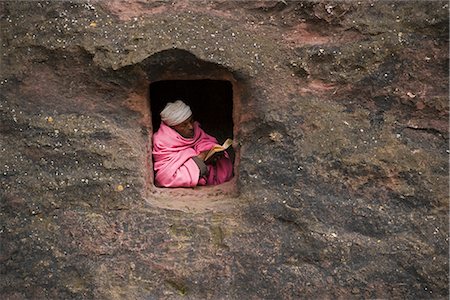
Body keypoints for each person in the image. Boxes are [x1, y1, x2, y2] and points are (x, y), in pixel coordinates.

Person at [152, 100, 233, 188]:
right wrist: (200, 159)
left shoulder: (197, 131)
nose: (191, 127)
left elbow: (206, 143)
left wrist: (212, 152)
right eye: (184, 125)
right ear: (172, 127)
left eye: (191, 121)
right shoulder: (161, 141)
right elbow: (163, 178)